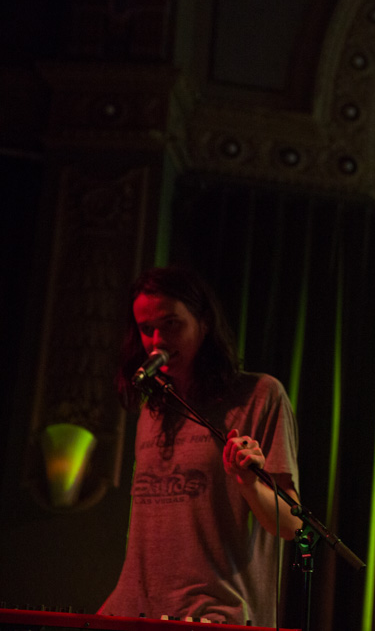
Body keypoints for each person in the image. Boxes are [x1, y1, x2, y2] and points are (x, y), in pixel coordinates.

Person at [100, 266, 301, 626]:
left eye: (171, 324)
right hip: (137, 611)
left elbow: (291, 524)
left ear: (204, 323)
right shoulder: (153, 409)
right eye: (146, 329)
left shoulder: (259, 396)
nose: (157, 340)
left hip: (217, 615)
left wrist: (249, 483)